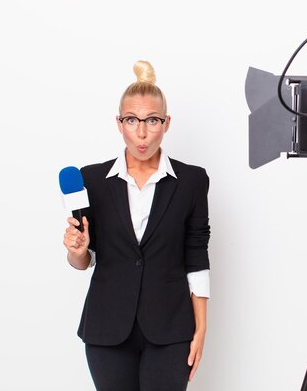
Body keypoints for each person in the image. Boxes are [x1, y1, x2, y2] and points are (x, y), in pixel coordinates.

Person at [62, 60, 210, 391]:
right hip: (107, 329)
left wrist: (201, 329)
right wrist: (77, 251)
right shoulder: (92, 180)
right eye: (132, 120)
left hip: (171, 330)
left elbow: (197, 255)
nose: (141, 133)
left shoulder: (191, 180)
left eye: (152, 120)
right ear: (119, 123)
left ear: (166, 123)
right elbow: (84, 260)